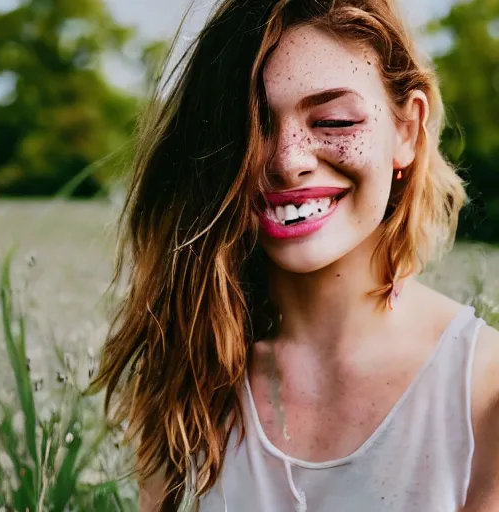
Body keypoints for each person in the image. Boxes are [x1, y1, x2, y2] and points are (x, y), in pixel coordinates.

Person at [91, 0, 499, 510]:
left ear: (407, 131)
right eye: (249, 127)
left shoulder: (484, 391)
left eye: (334, 120)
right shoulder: (187, 375)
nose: (287, 160)